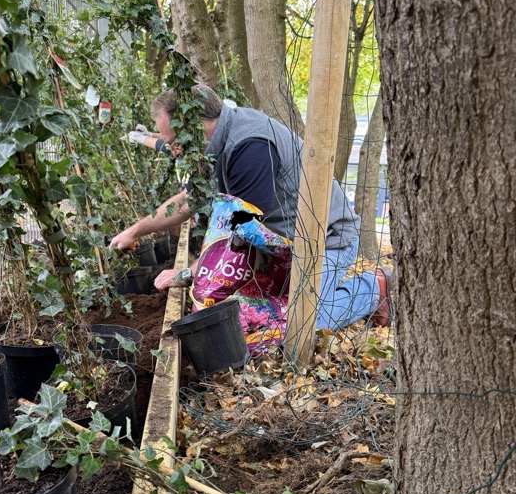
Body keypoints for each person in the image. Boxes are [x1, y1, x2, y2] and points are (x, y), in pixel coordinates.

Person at [111, 85, 392, 330]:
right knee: (256, 311)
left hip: (327, 241)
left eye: (173, 143)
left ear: (194, 125)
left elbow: (242, 235)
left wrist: (187, 274)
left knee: (300, 322)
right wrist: (136, 230)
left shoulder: (249, 147)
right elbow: (188, 201)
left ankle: (372, 288)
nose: (172, 151)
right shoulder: (212, 144)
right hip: (285, 244)